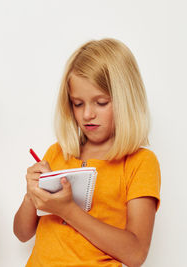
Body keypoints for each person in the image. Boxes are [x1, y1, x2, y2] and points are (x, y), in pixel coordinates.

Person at [13, 38, 160, 267]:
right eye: (78, 104)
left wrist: (68, 210)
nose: (87, 114)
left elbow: (136, 254)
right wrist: (31, 194)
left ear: (126, 100)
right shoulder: (57, 153)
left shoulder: (140, 162)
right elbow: (22, 233)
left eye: (101, 102)